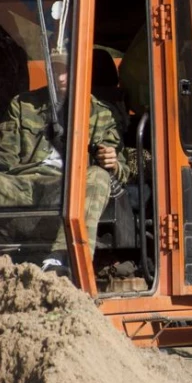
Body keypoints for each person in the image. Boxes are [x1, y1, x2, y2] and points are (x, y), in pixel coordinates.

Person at [0, 52, 128, 276]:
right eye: (56, 70)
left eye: (66, 71)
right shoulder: (23, 105)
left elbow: (123, 170)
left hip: (71, 187)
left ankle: (64, 258)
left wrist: (113, 163)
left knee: (99, 175)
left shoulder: (102, 113)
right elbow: (5, 161)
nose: (60, 77)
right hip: (24, 185)